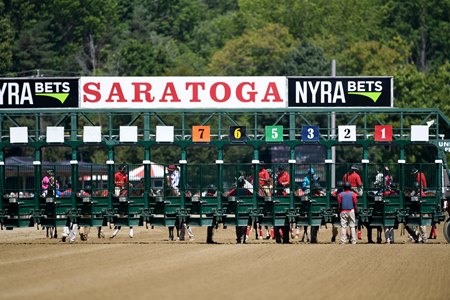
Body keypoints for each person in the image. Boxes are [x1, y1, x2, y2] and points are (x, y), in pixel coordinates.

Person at [111, 164, 133, 239]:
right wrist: (118, 184)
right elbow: (113, 182)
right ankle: (117, 203)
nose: (125, 170)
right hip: (117, 188)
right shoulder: (116, 175)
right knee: (117, 193)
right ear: (121, 169)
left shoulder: (125, 175)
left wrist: (129, 184)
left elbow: (127, 182)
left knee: (128, 192)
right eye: (124, 169)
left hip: (123, 189)